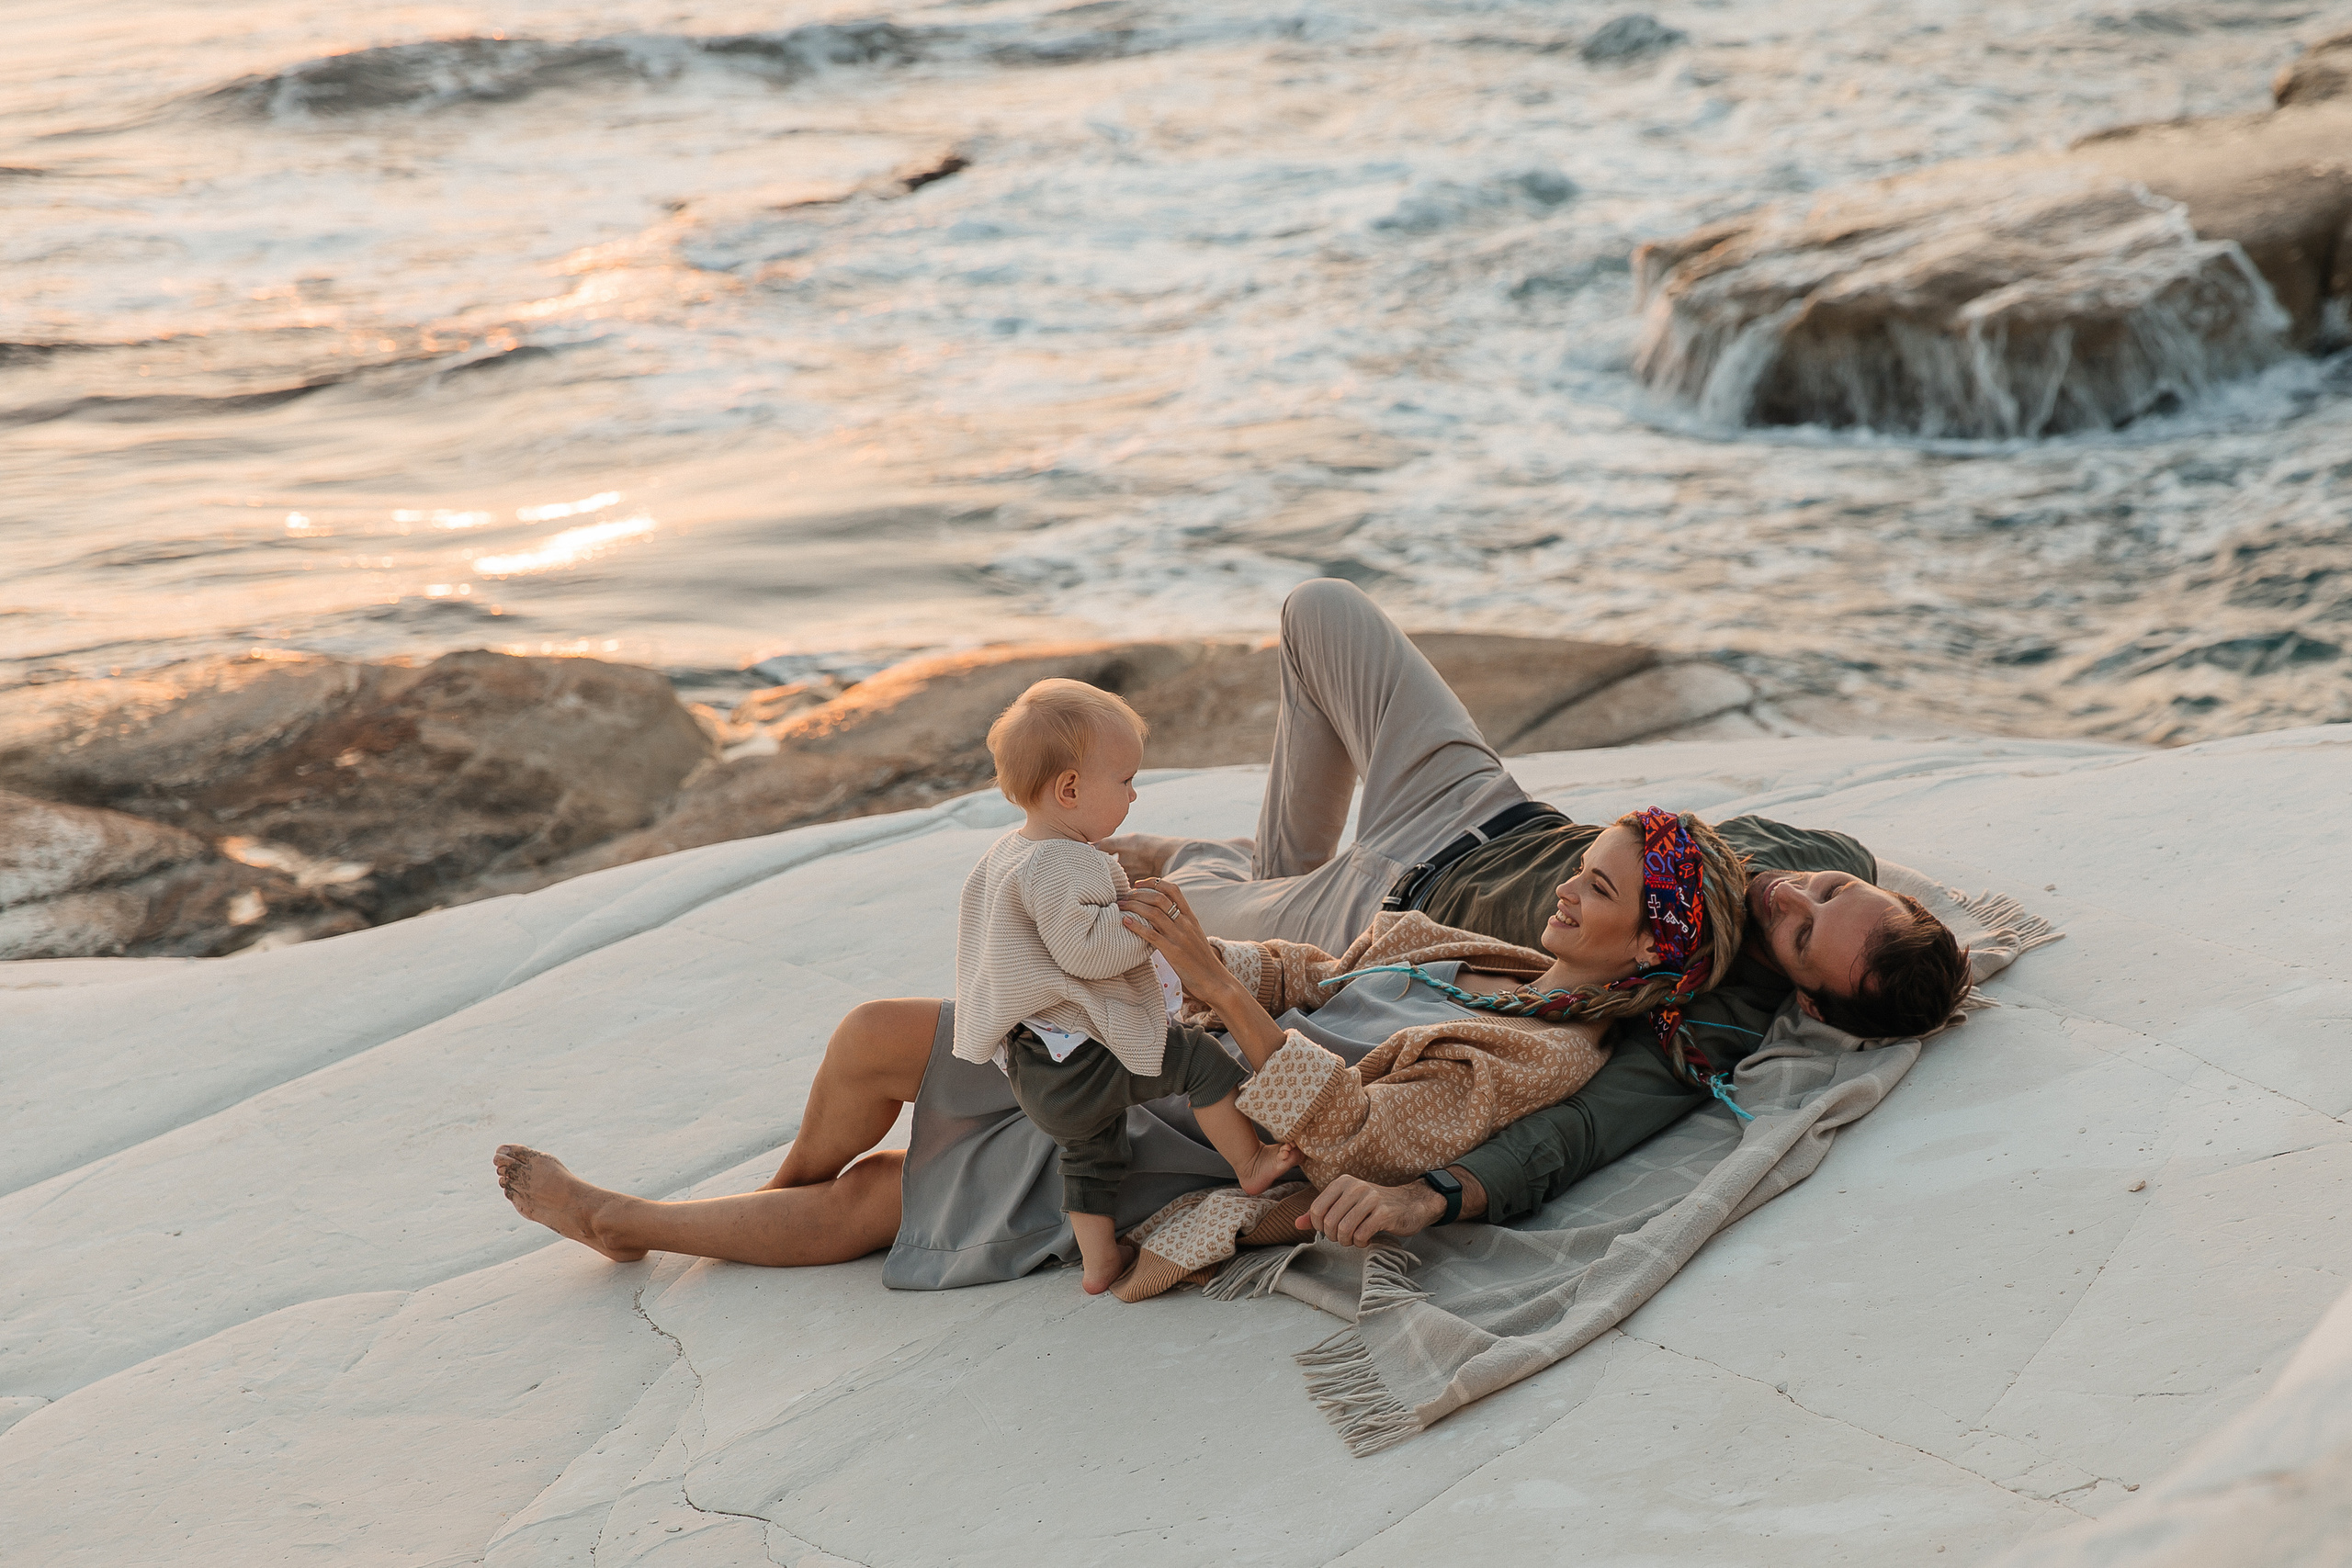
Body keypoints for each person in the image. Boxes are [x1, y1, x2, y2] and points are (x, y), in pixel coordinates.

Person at [1103, 577, 1972, 1247]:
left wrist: (1435, 1193)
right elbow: (1794, 858)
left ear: (1810, 999)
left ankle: (1244, 881)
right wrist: (1828, 901)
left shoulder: (1706, 1016)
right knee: (1320, 612)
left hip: (1373, 913)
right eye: (1832, 890)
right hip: (1481, 805)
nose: (1790, 892)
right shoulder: (1818, 864)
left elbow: (1580, 1131)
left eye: (1804, 931)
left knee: (1135, 919)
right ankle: (1264, 874)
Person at [954, 678, 1295, 1294]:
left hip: (1042, 1066)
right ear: (1071, 788)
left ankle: (1098, 1262)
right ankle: (1251, 1163)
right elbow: (1084, 948)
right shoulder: (1061, 861)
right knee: (1198, 1058)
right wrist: (1145, 922)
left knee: (1091, 1152)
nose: (1135, 794)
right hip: (1080, 1060)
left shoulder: (1008, 853)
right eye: (1126, 780)